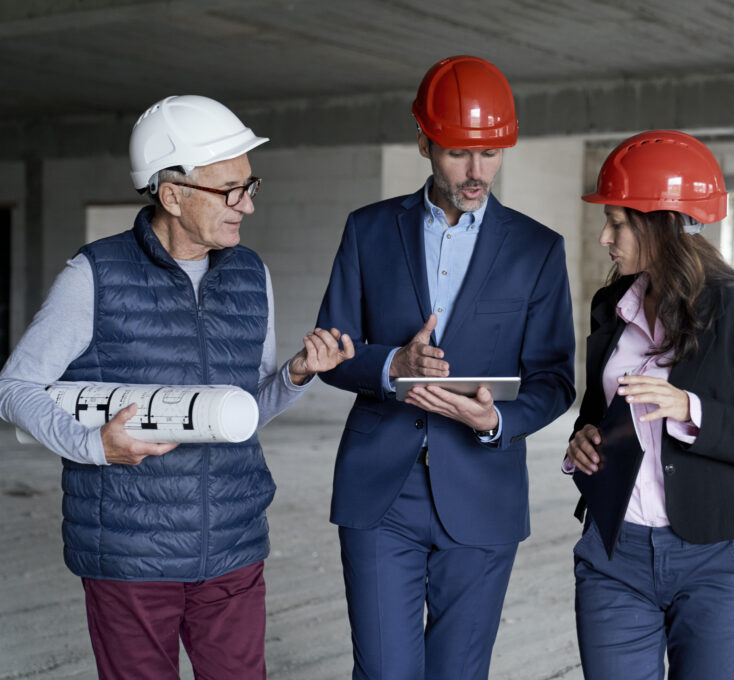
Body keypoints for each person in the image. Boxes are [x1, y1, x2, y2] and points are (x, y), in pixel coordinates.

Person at [0, 94, 354, 679]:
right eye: (229, 191)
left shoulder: (250, 273)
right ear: (172, 194)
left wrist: (294, 376)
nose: (248, 205)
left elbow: (240, 411)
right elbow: (15, 386)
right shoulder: (96, 275)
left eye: (250, 185)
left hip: (233, 544)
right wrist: (95, 446)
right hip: (130, 553)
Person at [315, 55, 575, 680]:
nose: (477, 171)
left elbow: (555, 379)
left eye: (491, 153)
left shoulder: (538, 249)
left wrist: (495, 422)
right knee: (384, 671)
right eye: (460, 153)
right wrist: (390, 365)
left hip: (482, 489)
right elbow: (332, 349)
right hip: (382, 492)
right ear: (425, 142)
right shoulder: (369, 230)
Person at [565, 130, 734, 680]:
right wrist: (582, 438)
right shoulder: (612, 303)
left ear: (664, 224)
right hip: (614, 554)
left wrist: (689, 409)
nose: (605, 236)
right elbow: (597, 408)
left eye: (618, 223)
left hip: (715, 559)